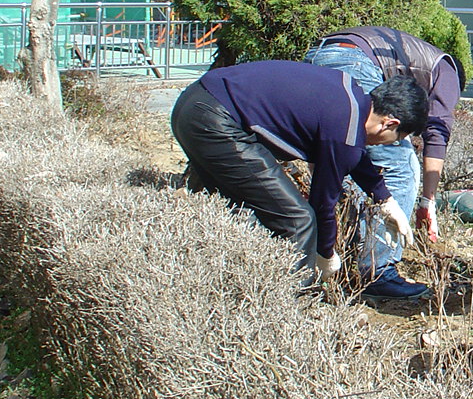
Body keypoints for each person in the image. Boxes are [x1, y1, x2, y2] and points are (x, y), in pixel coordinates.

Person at [171, 60, 428, 294]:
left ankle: (210, 284)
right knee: (298, 219)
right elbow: (321, 205)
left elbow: (351, 151)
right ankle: (291, 305)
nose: (387, 144)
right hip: (216, 121)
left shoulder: (350, 96)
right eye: (399, 139)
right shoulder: (345, 129)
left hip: (194, 103)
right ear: (390, 124)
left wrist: (384, 200)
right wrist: (325, 257)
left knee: (234, 206)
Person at [304, 26, 464, 299]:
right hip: (353, 61)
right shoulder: (448, 71)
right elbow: (436, 133)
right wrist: (428, 200)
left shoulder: (415, 59)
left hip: (318, 55)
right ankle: (378, 272)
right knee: (400, 167)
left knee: (350, 163)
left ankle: (342, 254)